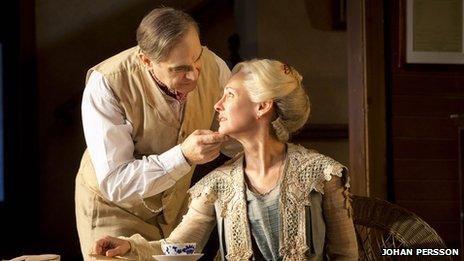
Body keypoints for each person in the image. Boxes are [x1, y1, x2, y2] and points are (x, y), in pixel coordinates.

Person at [91, 59, 358, 260]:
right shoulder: (215, 185)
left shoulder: (322, 174)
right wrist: (132, 247)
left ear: (262, 106)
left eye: (229, 95)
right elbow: (181, 247)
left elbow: (346, 254)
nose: (217, 105)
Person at [75, 7, 237, 259]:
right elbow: (116, 183)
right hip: (115, 206)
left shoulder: (215, 67)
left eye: (197, 59)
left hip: (175, 205)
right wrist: (183, 156)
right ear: (146, 61)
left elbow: (236, 139)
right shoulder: (107, 83)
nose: (194, 75)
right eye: (179, 68)